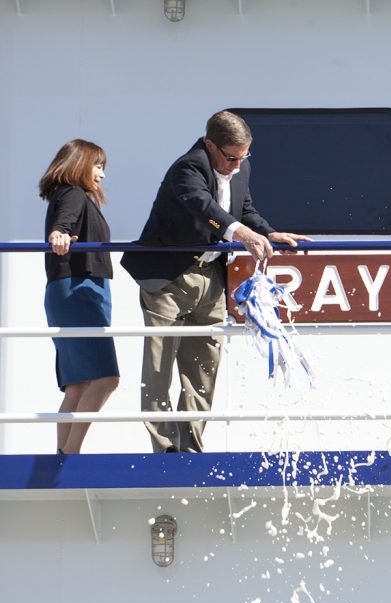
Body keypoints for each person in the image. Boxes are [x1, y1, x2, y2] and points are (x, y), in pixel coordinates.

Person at [121, 110, 312, 453]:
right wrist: (241, 233)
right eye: (231, 157)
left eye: (244, 156)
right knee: (158, 368)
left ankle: (191, 449)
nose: (238, 165)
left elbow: (244, 210)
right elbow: (202, 204)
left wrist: (268, 232)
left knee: (204, 368)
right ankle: (165, 450)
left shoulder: (241, 168)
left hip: (210, 279)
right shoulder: (188, 167)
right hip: (168, 278)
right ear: (210, 145)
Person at [39, 139, 120, 454]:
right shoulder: (73, 194)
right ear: (80, 164)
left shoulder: (70, 196)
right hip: (80, 289)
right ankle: (71, 456)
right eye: (98, 166)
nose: (101, 175)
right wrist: (58, 234)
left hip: (68, 290)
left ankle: (62, 457)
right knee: (105, 378)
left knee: (79, 383)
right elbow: (63, 225)